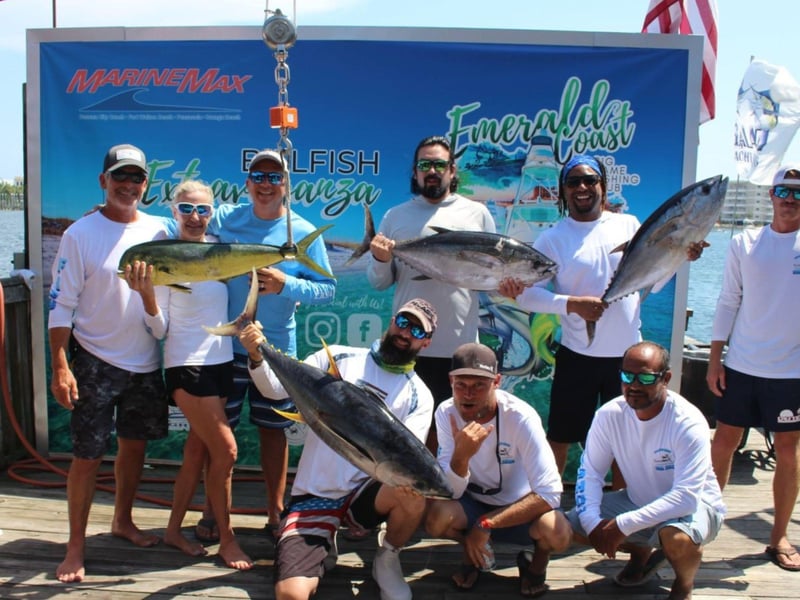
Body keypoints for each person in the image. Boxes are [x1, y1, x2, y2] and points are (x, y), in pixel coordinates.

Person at [498, 155, 706, 479]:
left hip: (628, 359)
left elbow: (654, 277)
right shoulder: (552, 238)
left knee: (626, 439)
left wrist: (681, 256)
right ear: (562, 192)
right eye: (573, 182)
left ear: (603, 187)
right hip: (576, 355)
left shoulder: (628, 225)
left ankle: (621, 503)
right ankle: (548, 504)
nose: (582, 187)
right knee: (561, 436)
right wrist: (572, 304)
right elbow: (527, 294)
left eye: (590, 180)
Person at [238, 298, 437, 600]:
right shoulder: (341, 357)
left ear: (426, 343)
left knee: (413, 490)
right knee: (291, 595)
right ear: (392, 320)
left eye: (417, 331)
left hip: (365, 495)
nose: (406, 332)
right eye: (403, 322)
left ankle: (387, 559)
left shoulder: (419, 394)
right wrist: (256, 355)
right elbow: (274, 390)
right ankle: (324, 539)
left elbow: (408, 459)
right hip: (316, 494)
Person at [48, 144, 169, 582]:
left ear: (146, 185)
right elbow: (61, 305)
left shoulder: (160, 232)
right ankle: (75, 545)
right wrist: (60, 365)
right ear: (103, 181)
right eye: (120, 176)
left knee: (134, 448)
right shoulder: (79, 234)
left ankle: (122, 520)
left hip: (143, 363)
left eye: (137, 178)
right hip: (94, 361)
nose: (128, 185)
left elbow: (166, 310)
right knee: (86, 456)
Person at [200, 149, 336, 539]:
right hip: (224, 349)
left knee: (272, 432)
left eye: (275, 177)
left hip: (275, 350)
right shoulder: (226, 219)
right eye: (258, 176)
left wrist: (285, 284)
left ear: (286, 185)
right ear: (247, 183)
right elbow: (184, 225)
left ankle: (276, 513)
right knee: (218, 433)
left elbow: (327, 290)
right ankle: (212, 510)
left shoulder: (300, 232)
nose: (266, 184)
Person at [125, 180, 252, 569]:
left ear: (212, 213)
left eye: (203, 210)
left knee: (196, 453)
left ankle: (173, 529)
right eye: (186, 209)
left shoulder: (219, 247)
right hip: (187, 367)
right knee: (227, 450)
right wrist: (147, 294)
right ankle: (228, 540)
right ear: (173, 210)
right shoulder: (162, 254)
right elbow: (159, 330)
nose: (195, 217)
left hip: (221, 364)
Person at [566, 341, 725, 600]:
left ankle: (683, 586)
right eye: (627, 376)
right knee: (558, 530)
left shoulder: (688, 421)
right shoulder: (608, 414)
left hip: (696, 507)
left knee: (675, 537)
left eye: (646, 377)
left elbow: (686, 497)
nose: (635, 385)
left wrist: (623, 524)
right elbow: (590, 474)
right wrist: (593, 524)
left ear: (666, 379)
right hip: (637, 500)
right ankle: (641, 553)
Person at [367, 134, 495, 452]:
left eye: (439, 164)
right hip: (410, 346)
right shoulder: (395, 217)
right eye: (425, 164)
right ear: (415, 172)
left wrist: (507, 286)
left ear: (452, 171)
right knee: (408, 434)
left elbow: (491, 273)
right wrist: (381, 261)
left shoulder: (477, 214)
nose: (432, 170)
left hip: (459, 347)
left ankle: (449, 496)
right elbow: (379, 282)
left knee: (456, 434)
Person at [706, 164, 800, 571]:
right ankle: (704, 523)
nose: (790, 200)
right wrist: (714, 358)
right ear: (771, 195)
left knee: (787, 450)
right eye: (784, 192)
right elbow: (728, 301)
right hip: (741, 364)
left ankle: (779, 536)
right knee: (724, 441)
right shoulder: (745, 242)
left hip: (791, 371)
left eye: (798, 193)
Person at [425, 342, 570, 596]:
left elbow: (551, 492)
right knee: (436, 519)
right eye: (461, 385)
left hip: (518, 508)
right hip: (473, 502)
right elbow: (450, 493)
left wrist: (485, 524)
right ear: (450, 382)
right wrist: (461, 457)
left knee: (558, 532)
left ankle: (536, 565)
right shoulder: (446, 412)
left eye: (479, 385)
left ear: (497, 382)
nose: (468, 394)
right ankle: (476, 552)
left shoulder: (521, 417)